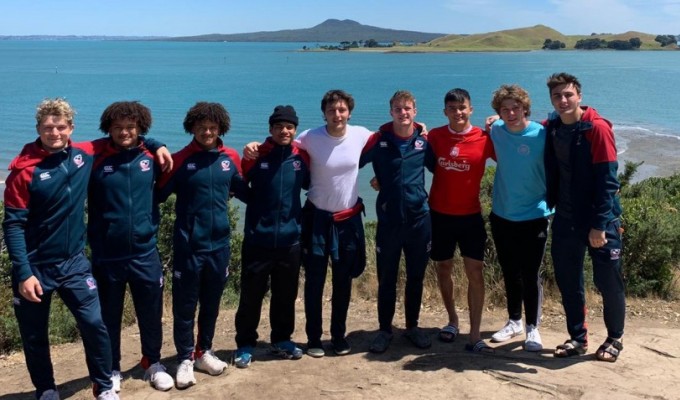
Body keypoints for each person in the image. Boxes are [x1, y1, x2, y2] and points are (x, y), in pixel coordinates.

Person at [3, 98, 119, 400]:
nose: (54, 132)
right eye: (48, 127)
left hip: (74, 263)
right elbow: (13, 225)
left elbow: (121, 138)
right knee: (34, 335)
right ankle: (46, 389)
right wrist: (24, 273)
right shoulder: (24, 171)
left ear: (71, 128)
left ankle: (104, 385)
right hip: (35, 267)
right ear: (39, 128)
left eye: (61, 126)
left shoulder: (83, 154)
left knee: (94, 324)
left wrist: (156, 144)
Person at [244, 89, 372, 357]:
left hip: (347, 220)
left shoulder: (362, 135)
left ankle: (338, 335)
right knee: (314, 281)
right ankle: (314, 338)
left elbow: (391, 141)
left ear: (349, 112)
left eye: (341, 110)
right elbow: (281, 147)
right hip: (316, 219)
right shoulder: (309, 138)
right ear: (324, 113)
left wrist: (419, 128)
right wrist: (253, 147)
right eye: (331, 110)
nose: (337, 114)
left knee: (343, 282)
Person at [156, 102, 248, 388]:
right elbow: (155, 195)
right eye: (201, 127)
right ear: (192, 128)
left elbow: (248, 193)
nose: (207, 132)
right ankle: (184, 358)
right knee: (185, 307)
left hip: (219, 245)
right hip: (189, 247)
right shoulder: (179, 159)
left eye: (212, 127)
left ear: (220, 128)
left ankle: (202, 352)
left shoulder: (230, 157)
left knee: (211, 304)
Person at [87, 101, 174, 392]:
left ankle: (153, 363)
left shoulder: (151, 155)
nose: (125, 132)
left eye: (131, 127)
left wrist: (155, 142)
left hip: (144, 252)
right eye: (118, 127)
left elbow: (162, 190)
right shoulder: (94, 155)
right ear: (108, 129)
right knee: (108, 318)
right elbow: (60, 144)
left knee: (150, 313)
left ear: (141, 129)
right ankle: (112, 369)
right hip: (107, 255)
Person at [544, 72, 625, 362]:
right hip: (565, 218)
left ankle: (615, 338)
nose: (563, 100)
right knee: (569, 281)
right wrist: (496, 123)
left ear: (579, 95)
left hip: (599, 222)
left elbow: (608, 181)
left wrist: (599, 225)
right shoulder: (553, 127)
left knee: (608, 282)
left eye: (568, 95)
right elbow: (523, 128)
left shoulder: (597, 129)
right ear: (551, 99)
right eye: (557, 96)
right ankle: (578, 338)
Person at [233, 105, 310, 368]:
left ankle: (282, 339)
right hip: (258, 239)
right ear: (270, 129)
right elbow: (239, 182)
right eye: (279, 127)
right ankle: (245, 344)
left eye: (289, 127)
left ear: (295, 130)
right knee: (251, 296)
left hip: (290, 240)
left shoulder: (302, 157)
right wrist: (255, 205)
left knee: (285, 295)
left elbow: (312, 184)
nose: (284, 131)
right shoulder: (256, 154)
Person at [359, 90, 432, 353]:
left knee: (416, 277)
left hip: (419, 221)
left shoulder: (425, 141)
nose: (403, 113)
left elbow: (443, 167)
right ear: (391, 112)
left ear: (415, 111)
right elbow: (348, 163)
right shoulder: (379, 142)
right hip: (389, 221)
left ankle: (412, 326)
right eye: (398, 109)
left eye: (408, 108)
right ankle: (384, 330)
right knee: (387, 278)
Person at [425, 88, 495, 353]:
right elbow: (409, 153)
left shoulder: (485, 138)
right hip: (439, 214)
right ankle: (452, 320)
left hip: (470, 216)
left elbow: (513, 156)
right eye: (452, 108)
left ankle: (475, 334)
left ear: (471, 109)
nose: (458, 112)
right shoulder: (435, 136)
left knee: (475, 273)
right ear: (445, 112)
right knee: (443, 269)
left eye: (462, 107)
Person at [487, 85, 552, 352]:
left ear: (526, 108)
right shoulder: (496, 131)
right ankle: (514, 321)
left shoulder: (542, 134)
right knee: (510, 272)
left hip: (535, 214)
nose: (511, 113)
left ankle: (532, 328)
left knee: (529, 273)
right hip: (502, 213)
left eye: (516, 108)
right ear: (498, 113)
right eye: (505, 109)